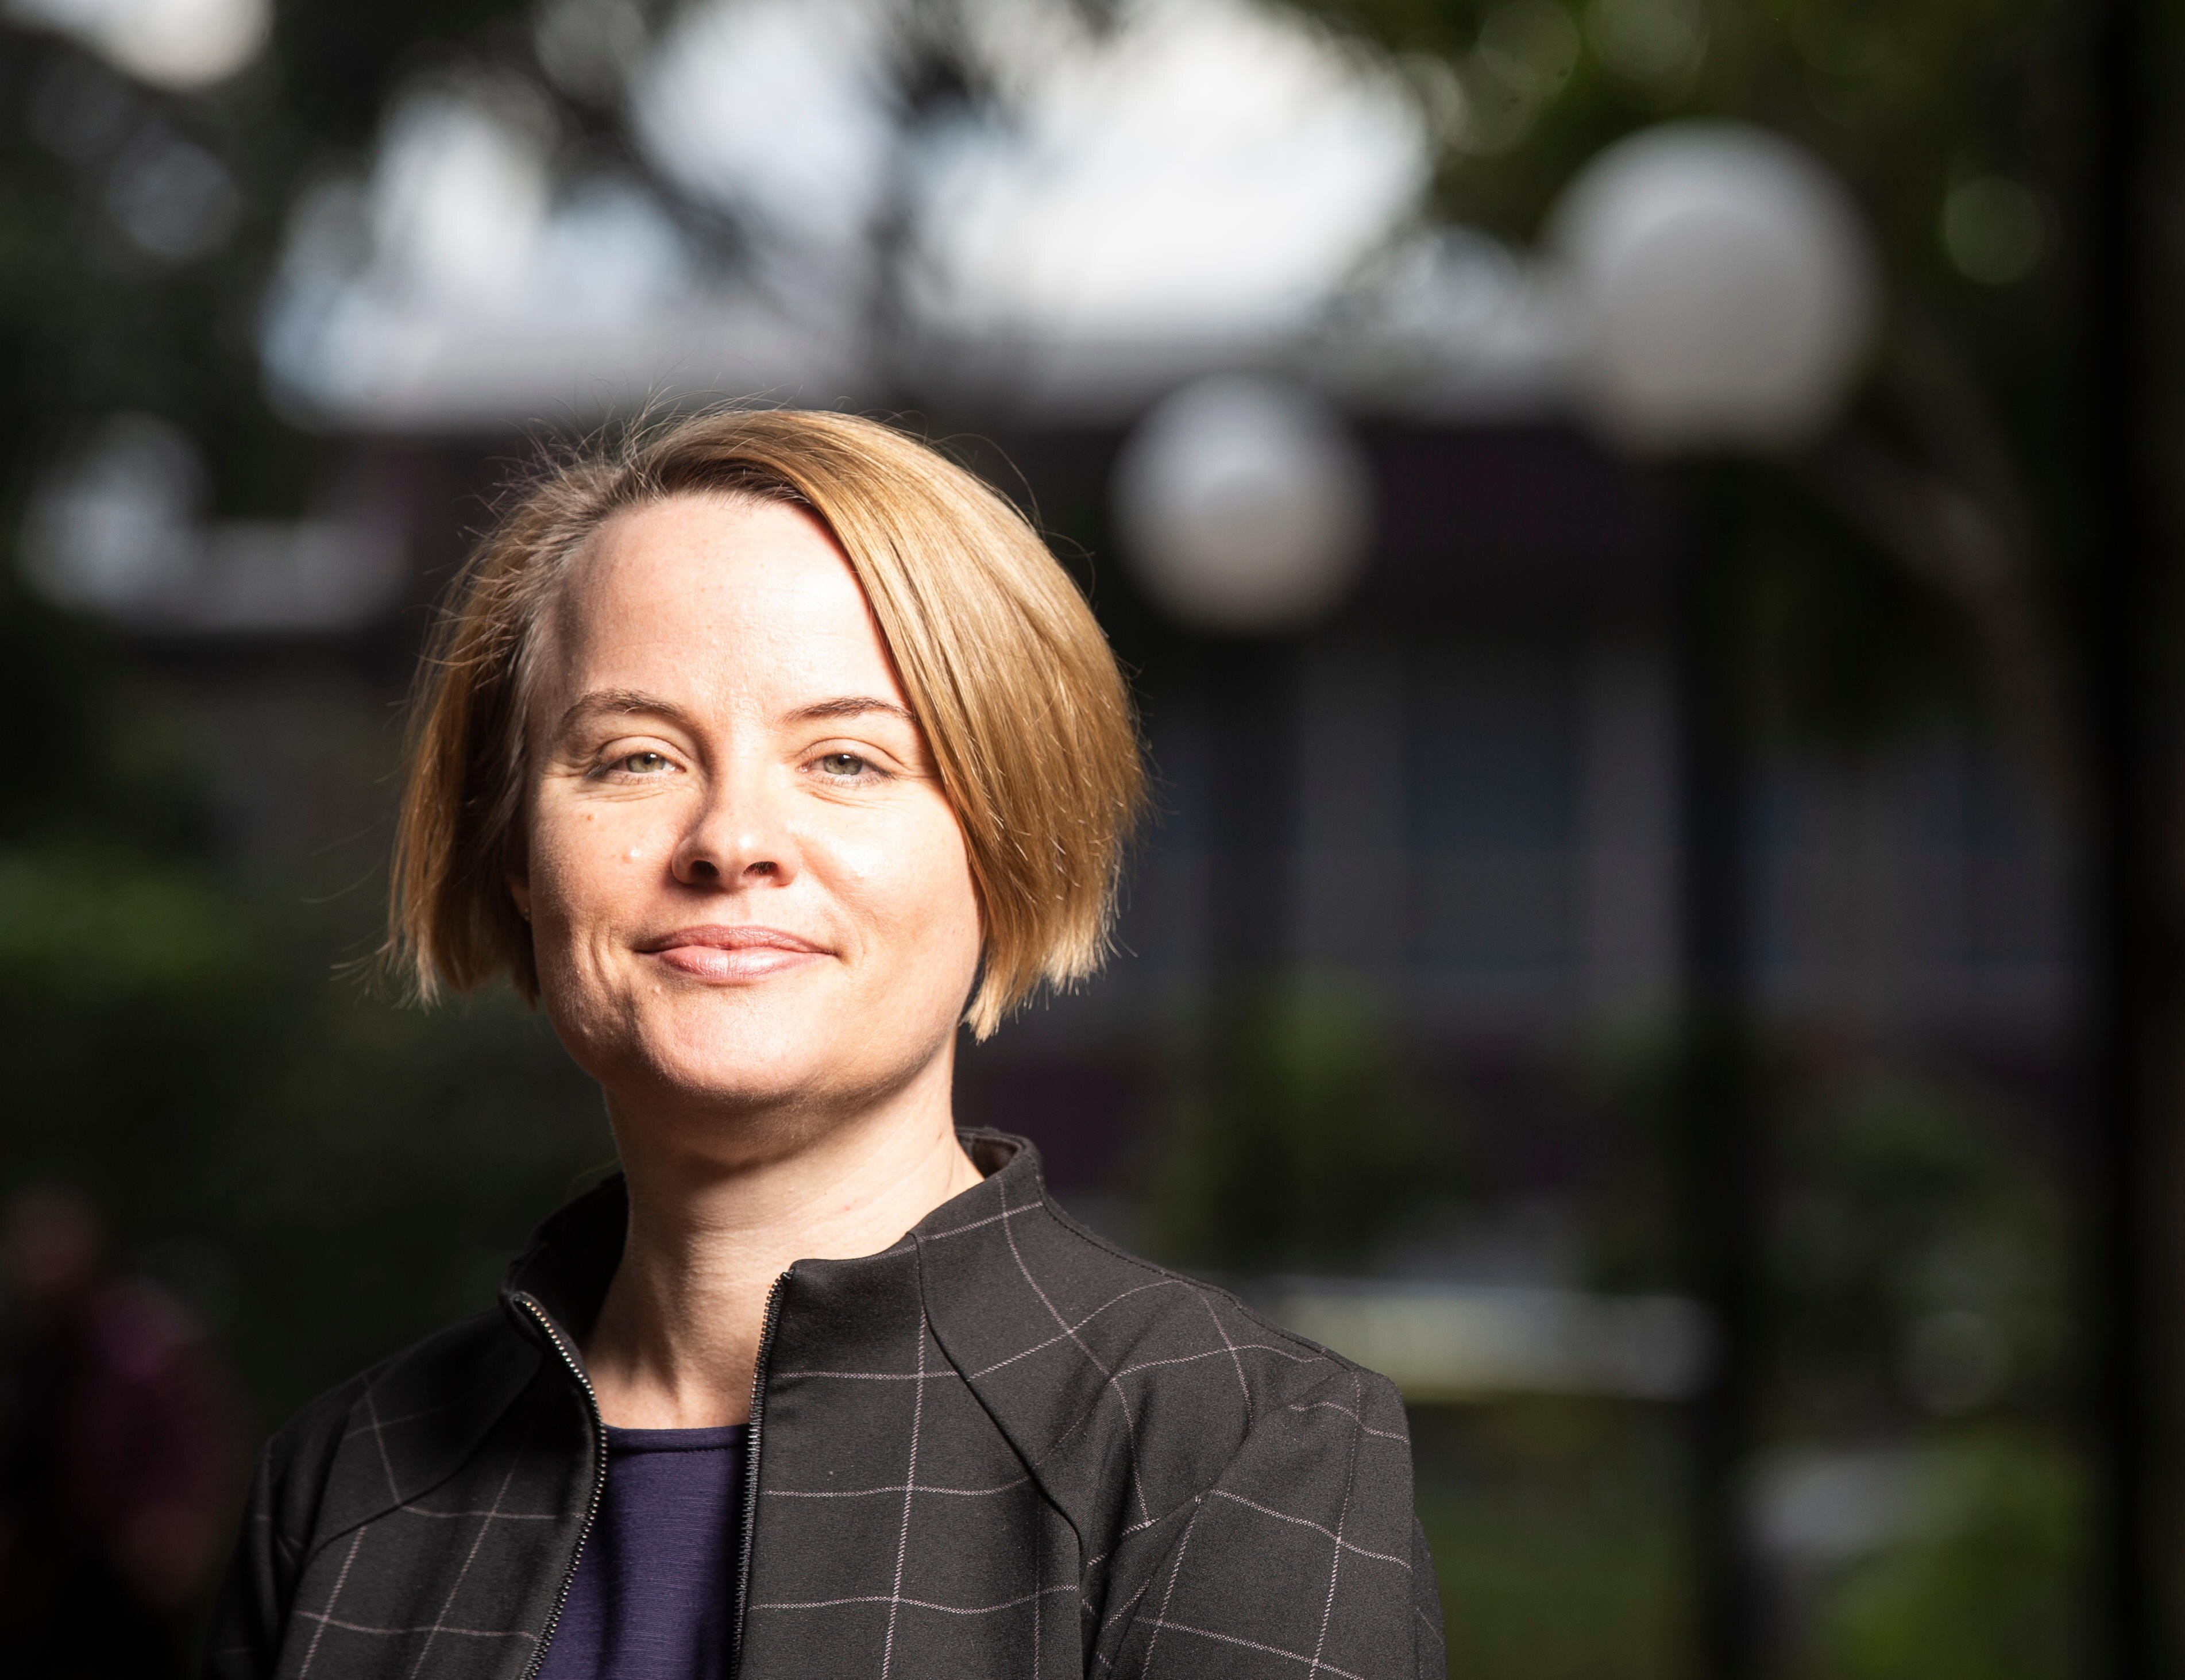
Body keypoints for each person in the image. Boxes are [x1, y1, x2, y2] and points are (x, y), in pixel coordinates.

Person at [205, 410, 1445, 1680]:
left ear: (1008, 845)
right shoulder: (342, 1486)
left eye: (846, 758)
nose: (731, 837)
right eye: (634, 756)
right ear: (515, 852)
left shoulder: (1237, 1450)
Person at [0, 1187, 233, 1679]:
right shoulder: (44, 1358)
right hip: (56, 1574)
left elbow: (193, 1445)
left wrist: (180, 1527)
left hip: (128, 1572)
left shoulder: (140, 1345)